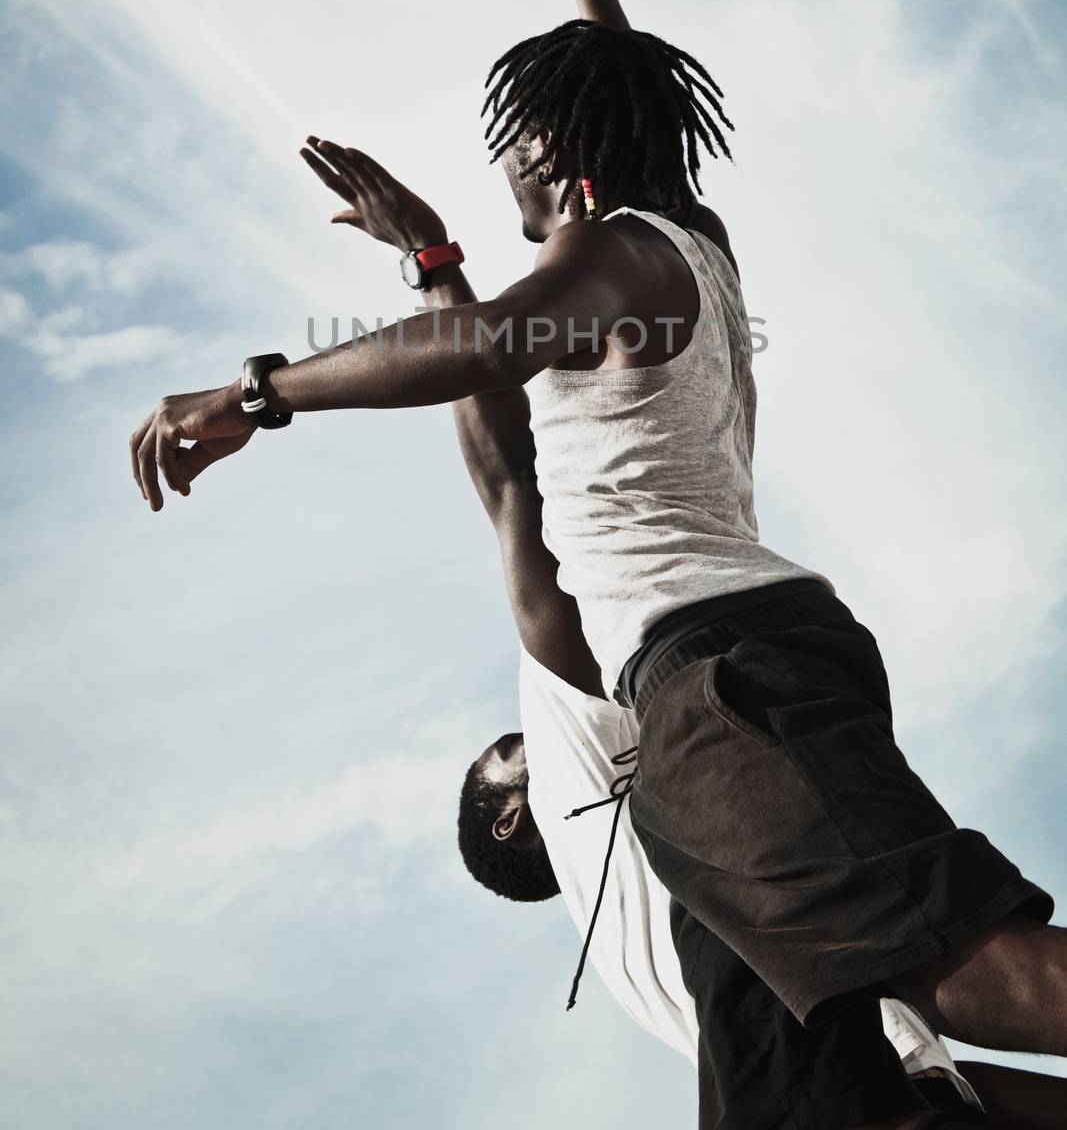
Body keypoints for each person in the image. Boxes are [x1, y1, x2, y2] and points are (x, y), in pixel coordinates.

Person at [130, 0, 1066, 1130]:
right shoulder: (672, 239)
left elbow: (480, 354)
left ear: (563, 169)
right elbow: (581, 234)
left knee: (951, 971)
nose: (500, 154)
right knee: (902, 1084)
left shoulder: (614, 255)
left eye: (513, 135)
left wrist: (257, 390)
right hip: (732, 676)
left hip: (717, 676)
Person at [300, 135, 992, 1123]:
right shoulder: (589, 754)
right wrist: (433, 265)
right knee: (966, 964)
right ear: (513, 818)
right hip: (870, 1073)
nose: (520, 730)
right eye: (507, 752)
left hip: (859, 1082)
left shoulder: (646, 958)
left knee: (964, 969)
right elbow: (510, 484)